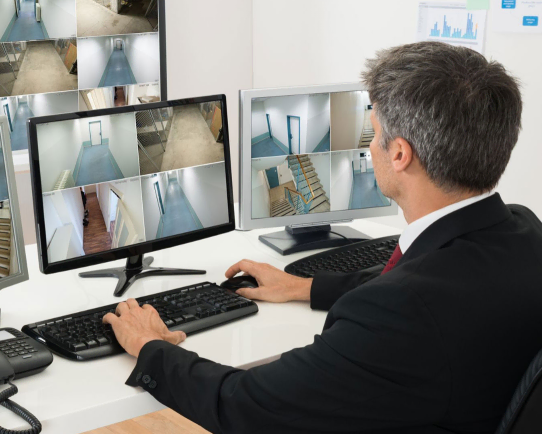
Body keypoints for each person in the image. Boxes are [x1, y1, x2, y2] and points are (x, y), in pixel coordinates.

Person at [103, 42, 542, 433]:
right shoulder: (524, 231)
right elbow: (427, 288)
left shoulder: (401, 312)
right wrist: (303, 286)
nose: (369, 147)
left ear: (400, 153)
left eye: (375, 133)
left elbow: (246, 406)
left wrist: (151, 348)